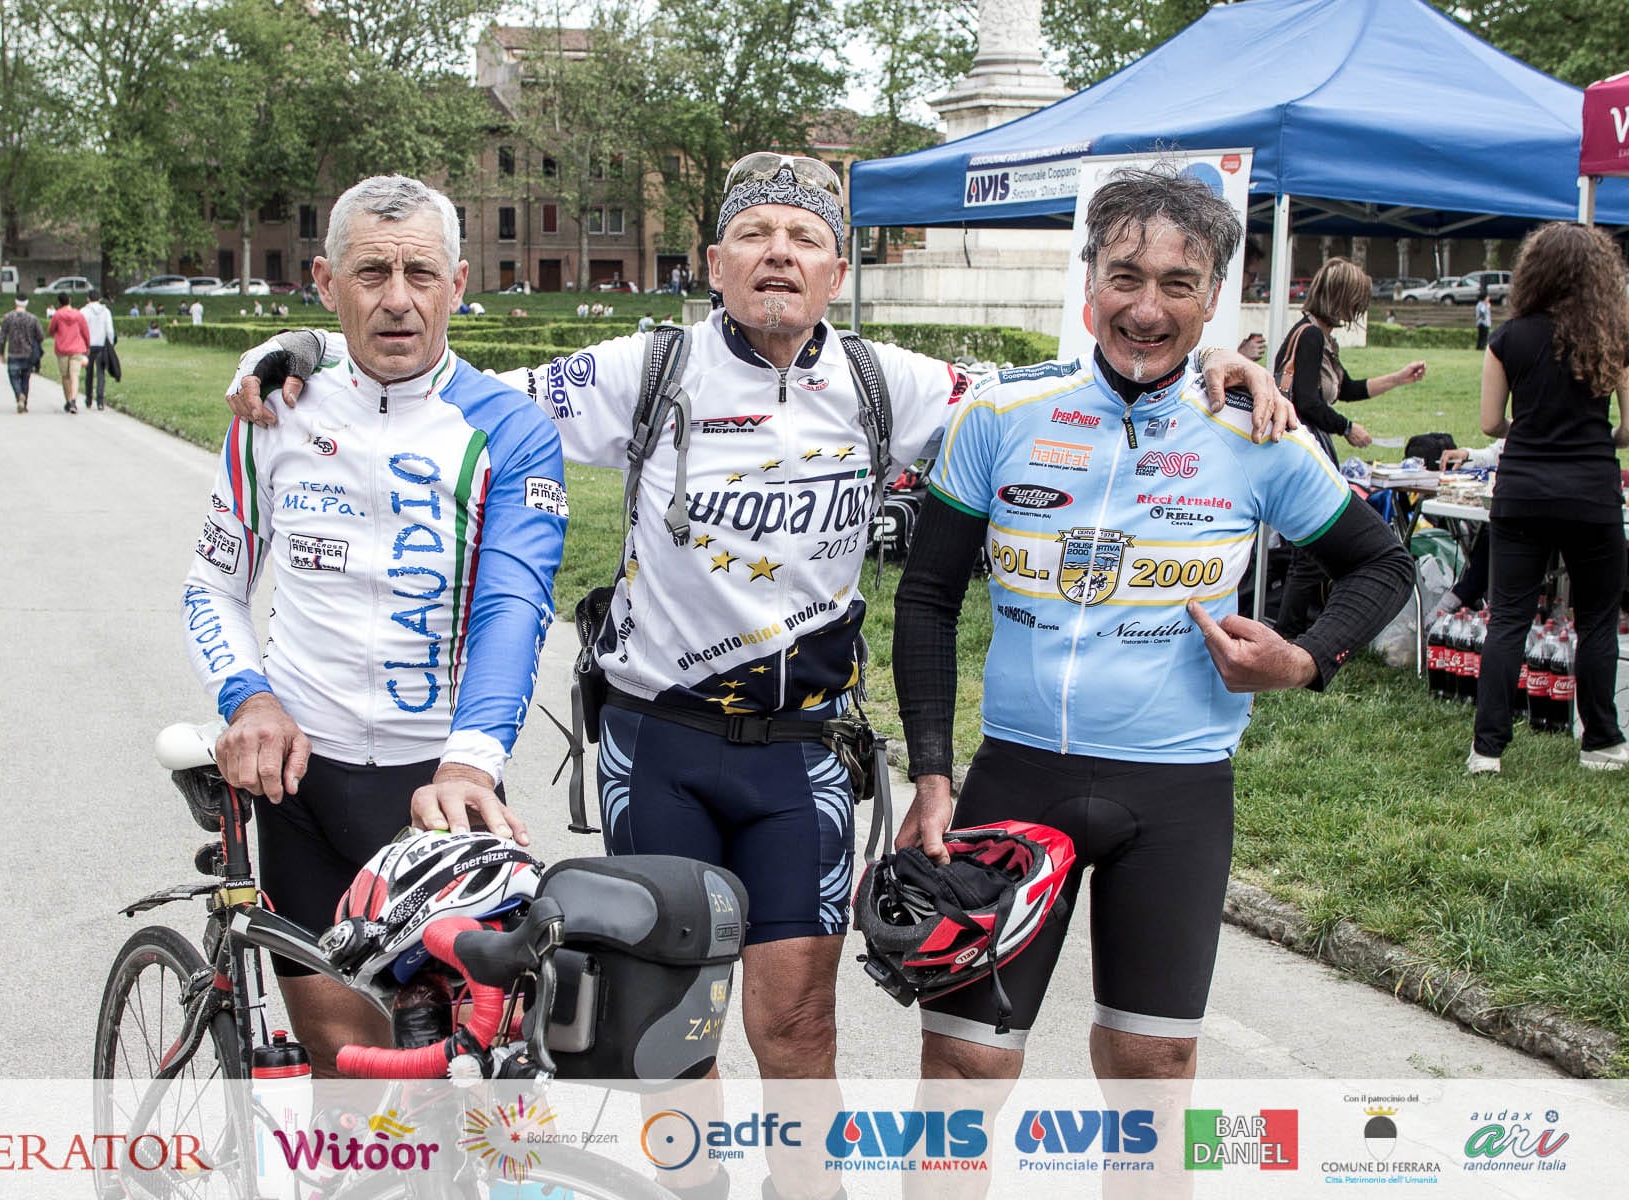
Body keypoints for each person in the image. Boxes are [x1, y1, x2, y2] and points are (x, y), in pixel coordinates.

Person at [226, 155, 1290, 1152]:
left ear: (838, 270)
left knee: (797, 1031)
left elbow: (1077, 383)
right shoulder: (646, 369)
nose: (779, 252)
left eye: (804, 236)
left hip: (802, 756)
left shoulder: (890, 382)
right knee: (665, 1041)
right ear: (715, 261)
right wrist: (306, 351)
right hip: (659, 743)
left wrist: (1209, 357)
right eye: (754, 232)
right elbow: (450, 382)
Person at [890, 165, 1413, 1148]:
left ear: (1214, 299)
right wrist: (930, 769)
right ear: (1088, 281)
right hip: (1017, 779)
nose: (1146, 308)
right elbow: (925, 598)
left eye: (1179, 284)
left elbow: (1383, 564)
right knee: (965, 1068)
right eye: (1125, 277)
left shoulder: (1257, 430)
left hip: (1176, 794)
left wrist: (1304, 660)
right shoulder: (1000, 416)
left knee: (1154, 1072)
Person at [185, 175, 566, 1077]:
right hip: (302, 784)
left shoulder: (511, 429)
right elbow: (212, 583)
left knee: (458, 1069)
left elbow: (515, 603)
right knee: (344, 1063)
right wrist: (249, 699)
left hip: (435, 786)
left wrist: (470, 760)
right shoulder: (271, 408)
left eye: (421, 273)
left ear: (458, 283)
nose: (398, 298)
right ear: (326, 282)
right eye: (371, 273)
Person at [1468, 222, 1629, 774]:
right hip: (1592, 493)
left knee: (1508, 619)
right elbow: (1628, 429)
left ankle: (1487, 749)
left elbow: (1491, 423)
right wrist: (1599, 436)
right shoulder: (1612, 337)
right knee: (1597, 621)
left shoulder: (1507, 338)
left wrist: (1530, 428)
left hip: (1522, 493)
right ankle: (1600, 740)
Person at [1271, 257, 1427, 638]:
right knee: (1310, 551)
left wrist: (1399, 378)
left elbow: (1348, 389)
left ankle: (1294, 632)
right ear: (1339, 298)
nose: (1356, 311)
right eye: (1354, 301)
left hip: (1306, 447)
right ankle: (1290, 635)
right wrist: (1346, 428)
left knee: (1310, 548)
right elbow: (1308, 402)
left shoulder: (1321, 339)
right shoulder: (1310, 337)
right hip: (1303, 448)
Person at [0, 295, 44, 413]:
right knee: (25, 378)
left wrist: (1, 353)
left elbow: (2, 337)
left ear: (15, 302)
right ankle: (24, 403)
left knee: (13, 377)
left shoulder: (8, 317)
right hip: (28, 353)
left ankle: (19, 395)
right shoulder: (33, 318)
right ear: (27, 303)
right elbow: (40, 336)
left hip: (13, 352)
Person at [46, 293, 90, 414]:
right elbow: (85, 331)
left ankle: (68, 400)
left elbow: (50, 330)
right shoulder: (78, 314)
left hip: (63, 349)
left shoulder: (57, 315)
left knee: (65, 376)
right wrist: (87, 345)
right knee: (74, 375)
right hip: (77, 348)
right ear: (70, 300)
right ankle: (74, 401)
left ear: (59, 302)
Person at [81, 288, 115, 410]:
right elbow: (110, 330)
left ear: (88, 299)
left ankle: (88, 399)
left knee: (88, 373)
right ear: (100, 299)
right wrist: (111, 343)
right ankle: (100, 401)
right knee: (101, 373)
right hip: (101, 345)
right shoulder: (106, 311)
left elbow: (81, 329)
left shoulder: (83, 311)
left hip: (88, 345)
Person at [1475, 285, 1493, 352]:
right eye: (1487, 297)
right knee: (1484, 336)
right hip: (1484, 323)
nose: (1489, 298)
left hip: (1480, 322)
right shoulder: (1482, 304)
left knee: (1480, 336)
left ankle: (1479, 347)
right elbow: (1482, 312)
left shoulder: (1479, 304)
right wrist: (1484, 319)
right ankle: (1481, 348)